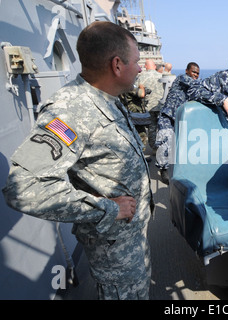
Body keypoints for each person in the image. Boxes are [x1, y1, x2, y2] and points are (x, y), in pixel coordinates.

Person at [2, 21, 154, 300]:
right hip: (114, 253)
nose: (141, 68)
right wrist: (106, 208)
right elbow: (22, 189)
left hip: (131, 239)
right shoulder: (69, 110)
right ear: (117, 65)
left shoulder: (108, 97)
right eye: (137, 61)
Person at [155, 62, 201, 184]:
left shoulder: (193, 88)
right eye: (193, 72)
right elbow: (197, 84)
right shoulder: (182, 78)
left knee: (181, 145)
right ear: (187, 71)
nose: (195, 75)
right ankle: (163, 170)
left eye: (197, 73)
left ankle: (179, 170)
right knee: (165, 143)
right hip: (168, 116)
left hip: (180, 118)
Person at [138, 59, 164, 154]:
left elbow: (138, 92)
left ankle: (154, 148)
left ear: (146, 66)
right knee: (162, 127)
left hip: (149, 106)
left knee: (151, 127)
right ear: (154, 66)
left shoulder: (142, 77)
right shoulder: (161, 76)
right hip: (161, 105)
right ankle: (163, 146)